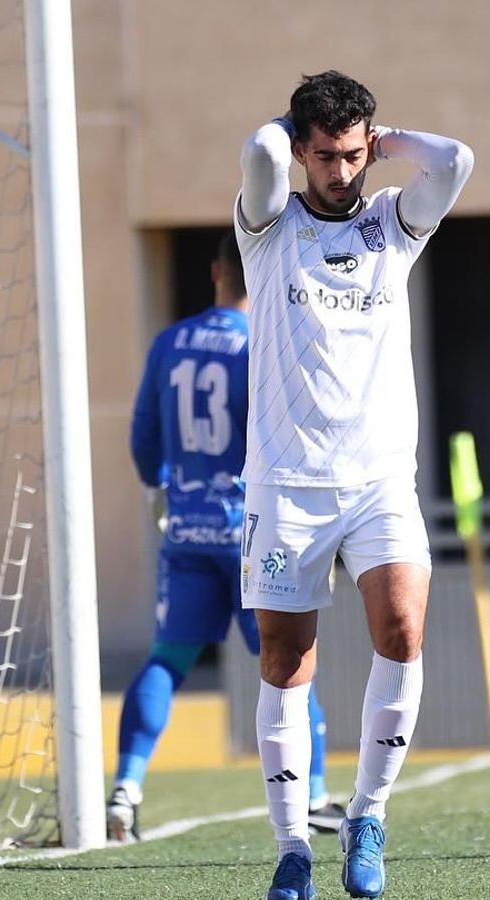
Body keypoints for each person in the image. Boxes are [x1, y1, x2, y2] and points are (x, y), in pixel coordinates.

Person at [234, 71, 472, 899]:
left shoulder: (392, 225)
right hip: (285, 484)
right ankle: (294, 846)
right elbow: (259, 150)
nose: (344, 171)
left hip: (379, 482)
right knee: (283, 657)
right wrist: (290, 123)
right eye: (327, 155)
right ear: (303, 151)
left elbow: (457, 161)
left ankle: (368, 815)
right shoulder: (267, 228)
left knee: (403, 631)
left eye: (355, 154)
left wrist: (384, 138)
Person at [111, 233, 345, 843]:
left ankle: (126, 786)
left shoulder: (169, 342)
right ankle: (314, 792)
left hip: (187, 526)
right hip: (250, 528)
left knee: (168, 657)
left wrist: (163, 486)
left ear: (215, 270)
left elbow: (143, 440)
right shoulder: (263, 343)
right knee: (290, 660)